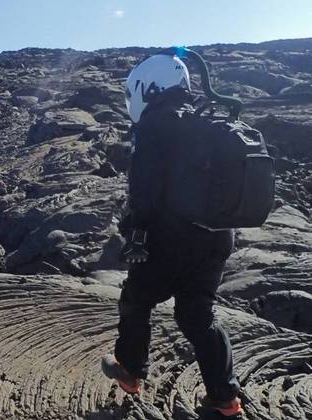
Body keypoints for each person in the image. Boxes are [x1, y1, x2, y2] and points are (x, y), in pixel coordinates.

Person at [101, 54, 243, 417]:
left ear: (150, 87)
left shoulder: (155, 125)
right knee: (198, 315)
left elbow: (145, 189)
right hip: (218, 237)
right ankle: (225, 399)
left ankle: (130, 370)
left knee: (136, 299)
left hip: (172, 236)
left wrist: (136, 231)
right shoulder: (208, 123)